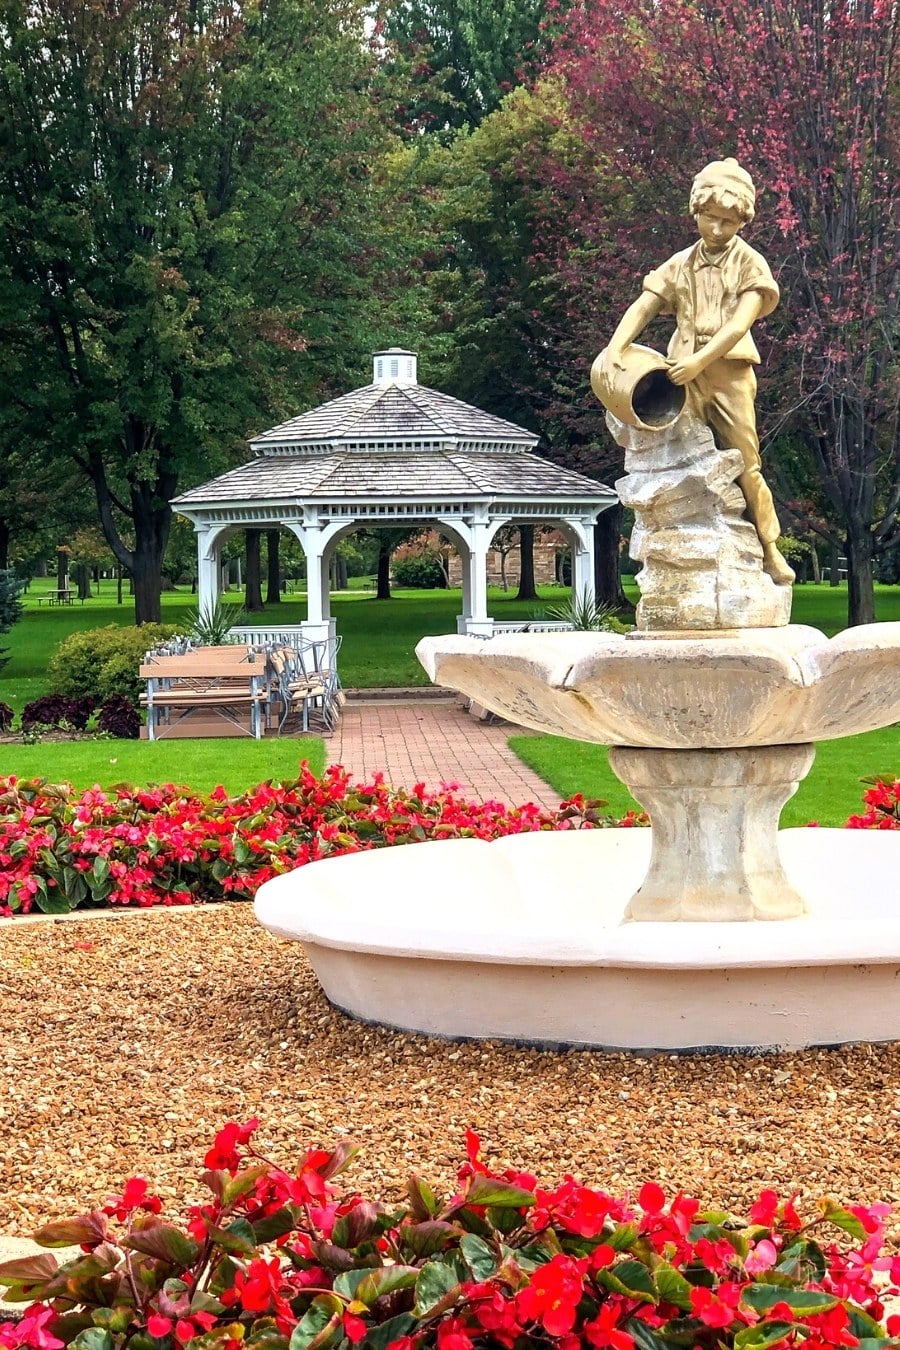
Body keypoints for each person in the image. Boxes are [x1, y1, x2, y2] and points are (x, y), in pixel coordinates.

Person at [605, 158, 794, 586]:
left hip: (727, 372)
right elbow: (646, 305)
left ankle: (768, 547)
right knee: (669, 449)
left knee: (746, 462)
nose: (717, 229)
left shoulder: (750, 263)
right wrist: (616, 346)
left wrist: (700, 361)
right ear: (696, 212)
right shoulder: (680, 263)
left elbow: (738, 325)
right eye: (710, 218)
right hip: (678, 372)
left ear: (741, 222)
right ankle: (673, 538)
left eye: (728, 222)